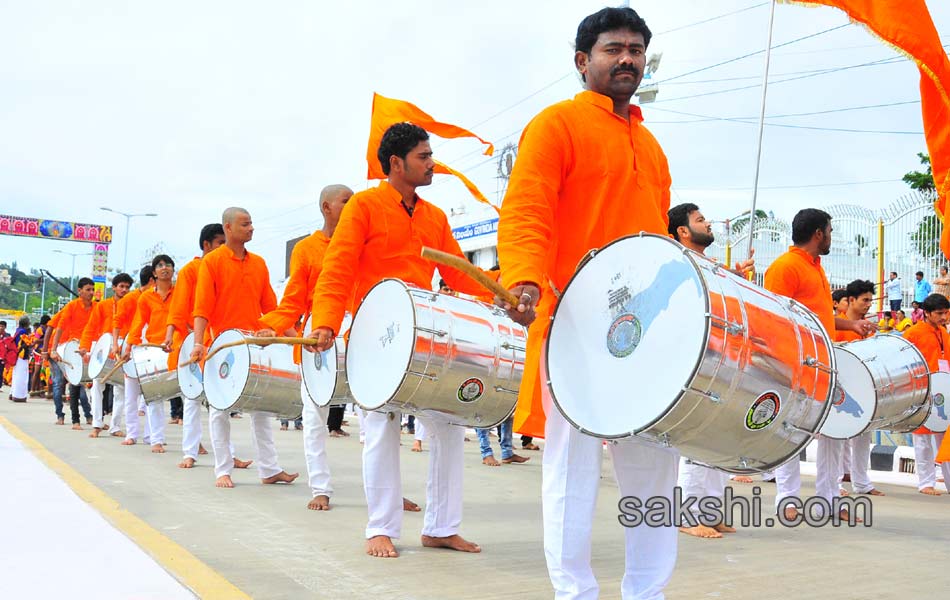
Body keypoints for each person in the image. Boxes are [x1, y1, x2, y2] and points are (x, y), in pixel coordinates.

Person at [496, 8, 680, 597]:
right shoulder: (555, 126)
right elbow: (527, 211)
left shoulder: (650, 146)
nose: (627, 58)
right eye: (613, 48)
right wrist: (524, 276)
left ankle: (646, 590)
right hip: (573, 324)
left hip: (643, 331)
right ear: (583, 61)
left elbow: (657, 239)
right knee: (572, 471)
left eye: (635, 49)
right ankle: (575, 592)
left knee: (654, 468)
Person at [308, 123, 489, 559]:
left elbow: (460, 275)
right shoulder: (365, 207)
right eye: (424, 157)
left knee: (448, 424)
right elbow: (338, 268)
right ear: (396, 163)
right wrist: (326, 322)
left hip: (428, 337)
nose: (432, 164)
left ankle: (441, 527)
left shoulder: (435, 217)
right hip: (375, 338)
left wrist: (497, 303)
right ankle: (381, 528)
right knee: (381, 430)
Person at [763, 210, 876, 521]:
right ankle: (787, 499)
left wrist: (851, 327)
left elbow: (821, 317)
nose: (830, 235)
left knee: (834, 432)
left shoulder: (815, 268)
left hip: (824, 362)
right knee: (791, 430)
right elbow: (773, 317)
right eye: (829, 230)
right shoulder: (785, 267)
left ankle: (830, 499)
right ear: (817, 234)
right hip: (795, 363)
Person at [257, 184, 353, 510]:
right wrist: (270, 327)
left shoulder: (362, 243)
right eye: (346, 201)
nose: (353, 206)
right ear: (327, 207)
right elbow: (294, 301)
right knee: (314, 418)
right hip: (316, 342)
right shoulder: (306, 249)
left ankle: (388, 494)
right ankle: (320, 488)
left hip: (359, 336)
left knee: (381, 419)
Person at [189, 207, 298, 489]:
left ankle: (269, 469)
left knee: (261, 408)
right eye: (245, 224)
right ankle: (222, 470)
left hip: (255, 345)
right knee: (219, 410)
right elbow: (201, 308)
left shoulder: (259, 264)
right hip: (223, 346)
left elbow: (272, 308)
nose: (251, 229)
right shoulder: (211, 263)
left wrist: (292, 337)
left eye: (252, 224)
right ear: (228, 228)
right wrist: (199, 343)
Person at [667, 202, 755, 537]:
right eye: (700, 220)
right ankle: (688, 516)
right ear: (683, 232)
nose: (708, 223)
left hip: (720, 360)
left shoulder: (707, 264)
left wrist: (733, 276)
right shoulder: (678, 262)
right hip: (692, 363)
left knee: (718, 437)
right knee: (694, 440)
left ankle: (710, 510)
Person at [163, 223, 230, 468]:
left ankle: (228, 455)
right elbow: (179, 306)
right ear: (206, 245)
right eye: (220, 243)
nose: (224, 248)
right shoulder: (191, 270)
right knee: (191, 399)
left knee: (222, 399)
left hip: (220, 341)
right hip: (194, 340)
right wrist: (170, 334)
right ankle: (189, 453)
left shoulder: (225, 266)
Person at [827, 280, 884, 499]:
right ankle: (837, 484)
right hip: (841, 391)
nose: (868, 305)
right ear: (851, 300)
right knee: (839, 439)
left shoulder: (868, 329)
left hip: (865, 389)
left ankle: (862, 483)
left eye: (870, 300)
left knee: (863, 439)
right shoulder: (836, 326)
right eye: (865, 300)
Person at [126, 255, 176, 454]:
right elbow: (138, 323)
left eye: (168, 265)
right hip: (154, 349)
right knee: (155, 397)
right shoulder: (146, 298)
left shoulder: (181, 292)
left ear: (173, 270)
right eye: (160, 266)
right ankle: (157, 439)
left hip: (178, 348)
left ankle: (195, 444)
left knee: (190, 398)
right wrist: (130, 346)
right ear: (154, 273)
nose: (165, 268)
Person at [902, 293, 950, 495]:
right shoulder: (913, 333)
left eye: (946, 313)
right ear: (927, 313)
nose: (944, 317)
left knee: (945, 438)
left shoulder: (944, 333)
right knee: (922, 439)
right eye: (940, 313)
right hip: (923, 390)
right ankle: (926, 483)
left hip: (944, 391)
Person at [79, 272, 133, 438]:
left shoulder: (132, 305)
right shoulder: (102, 306)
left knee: (121, 389)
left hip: (122, 349)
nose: (124, 290)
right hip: (102, 349)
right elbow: (90, 327)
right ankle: (97, 424)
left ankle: (115, 426)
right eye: (121, 286)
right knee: (97, 386)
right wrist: (85, 348)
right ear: (114, 287)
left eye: (127, 287)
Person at [47, 278, 97, 429]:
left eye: (92, 289)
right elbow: (58, 328)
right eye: (88, 289)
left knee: (94, 386)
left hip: (91, 348)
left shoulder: (97, 307)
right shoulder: (71, 306)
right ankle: (75, 420)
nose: (91, 293)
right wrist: (52, 350)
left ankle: (94, 419)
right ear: (79, 291)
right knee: (74, 385)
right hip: (73, 349)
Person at [113, 266, 155, 444]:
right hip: (132, 347)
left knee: (153, 395)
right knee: (131, 395)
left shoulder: (159, 296)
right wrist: (116, 344)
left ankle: (150, 436)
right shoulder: (130, 299)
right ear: (152, 279)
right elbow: (117, 322)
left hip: (152, 347)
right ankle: (132, 434)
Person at [8, 317, 33, 402]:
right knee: (21, 376)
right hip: (21, 355)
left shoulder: (18, 330)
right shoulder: (22, 332)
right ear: (26, 323)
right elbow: (21, 345)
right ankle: (19, 396)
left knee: (16, 374)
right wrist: (29, 342)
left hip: (18, 356)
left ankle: (13, 393)